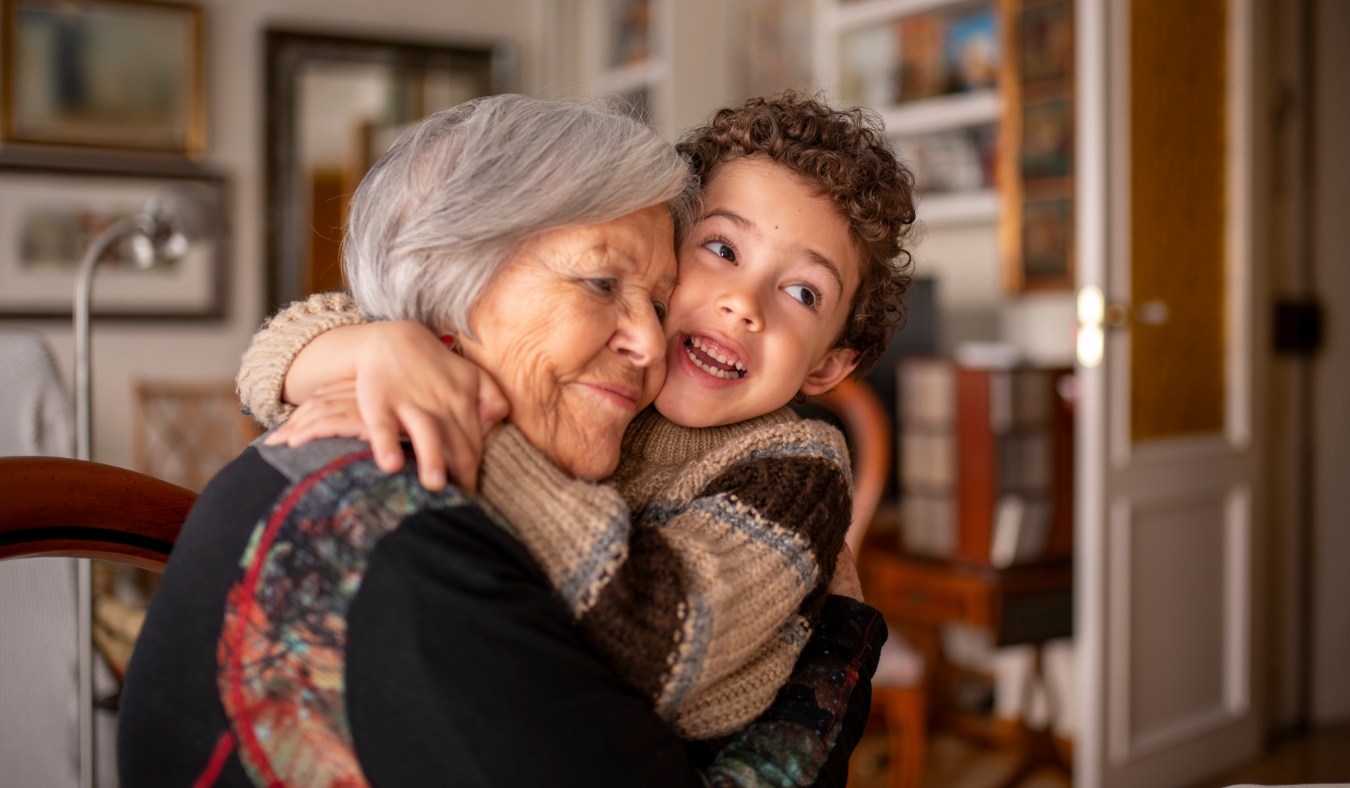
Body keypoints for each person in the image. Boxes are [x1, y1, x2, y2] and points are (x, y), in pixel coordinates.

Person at [118, 95, 886, 788]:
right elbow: (275, 356)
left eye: (803, 292)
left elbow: (671, 639)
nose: (655, 340)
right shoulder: (412, 526)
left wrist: (463, 408)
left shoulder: (792, 466)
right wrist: (380, 351)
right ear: (458, 278)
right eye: (601, 283)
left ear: (830, 361)